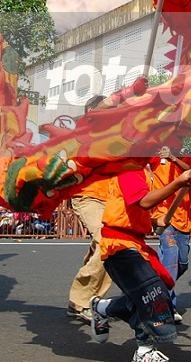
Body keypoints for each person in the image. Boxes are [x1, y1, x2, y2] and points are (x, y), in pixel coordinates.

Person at [89, 161, 191, 362]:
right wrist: (178, 182)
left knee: (157, 291)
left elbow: (133, 211)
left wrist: (156, 221)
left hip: (135, 243)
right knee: (151, 294)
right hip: (119, 244)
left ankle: (102, 308)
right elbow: (143, 202)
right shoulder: (129, 168)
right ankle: (144, 351)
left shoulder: (143, 171)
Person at [66, 95, 115, 323]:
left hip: (112, 198)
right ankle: (81, 301)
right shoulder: (81, 134)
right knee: (106, 241)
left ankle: (87, 298)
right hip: (88, 196)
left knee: (110, 245)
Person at [150, 146, 191, 323]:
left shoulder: (189, 158)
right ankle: (166, 306)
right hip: (164, 215)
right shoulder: (155, 157)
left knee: (182, 264)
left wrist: (173, 158)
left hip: (184, 219)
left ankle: (153, 286)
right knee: (171, 255)